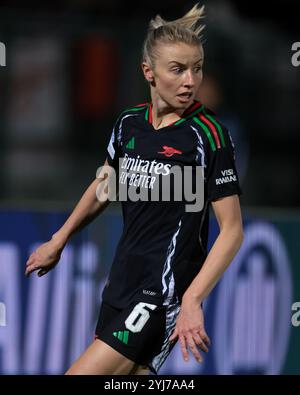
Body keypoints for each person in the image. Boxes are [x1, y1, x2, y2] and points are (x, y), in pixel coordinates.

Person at [25, 3, 243, 375]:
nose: (190, 80)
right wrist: (59, 239)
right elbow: (104, 185)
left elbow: (233, 231)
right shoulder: (129, 125)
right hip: (121, 284)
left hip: (162, 293)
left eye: (197, 68)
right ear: (149, 72)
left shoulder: (208, 135)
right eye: (177, 69)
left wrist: (192, 299)